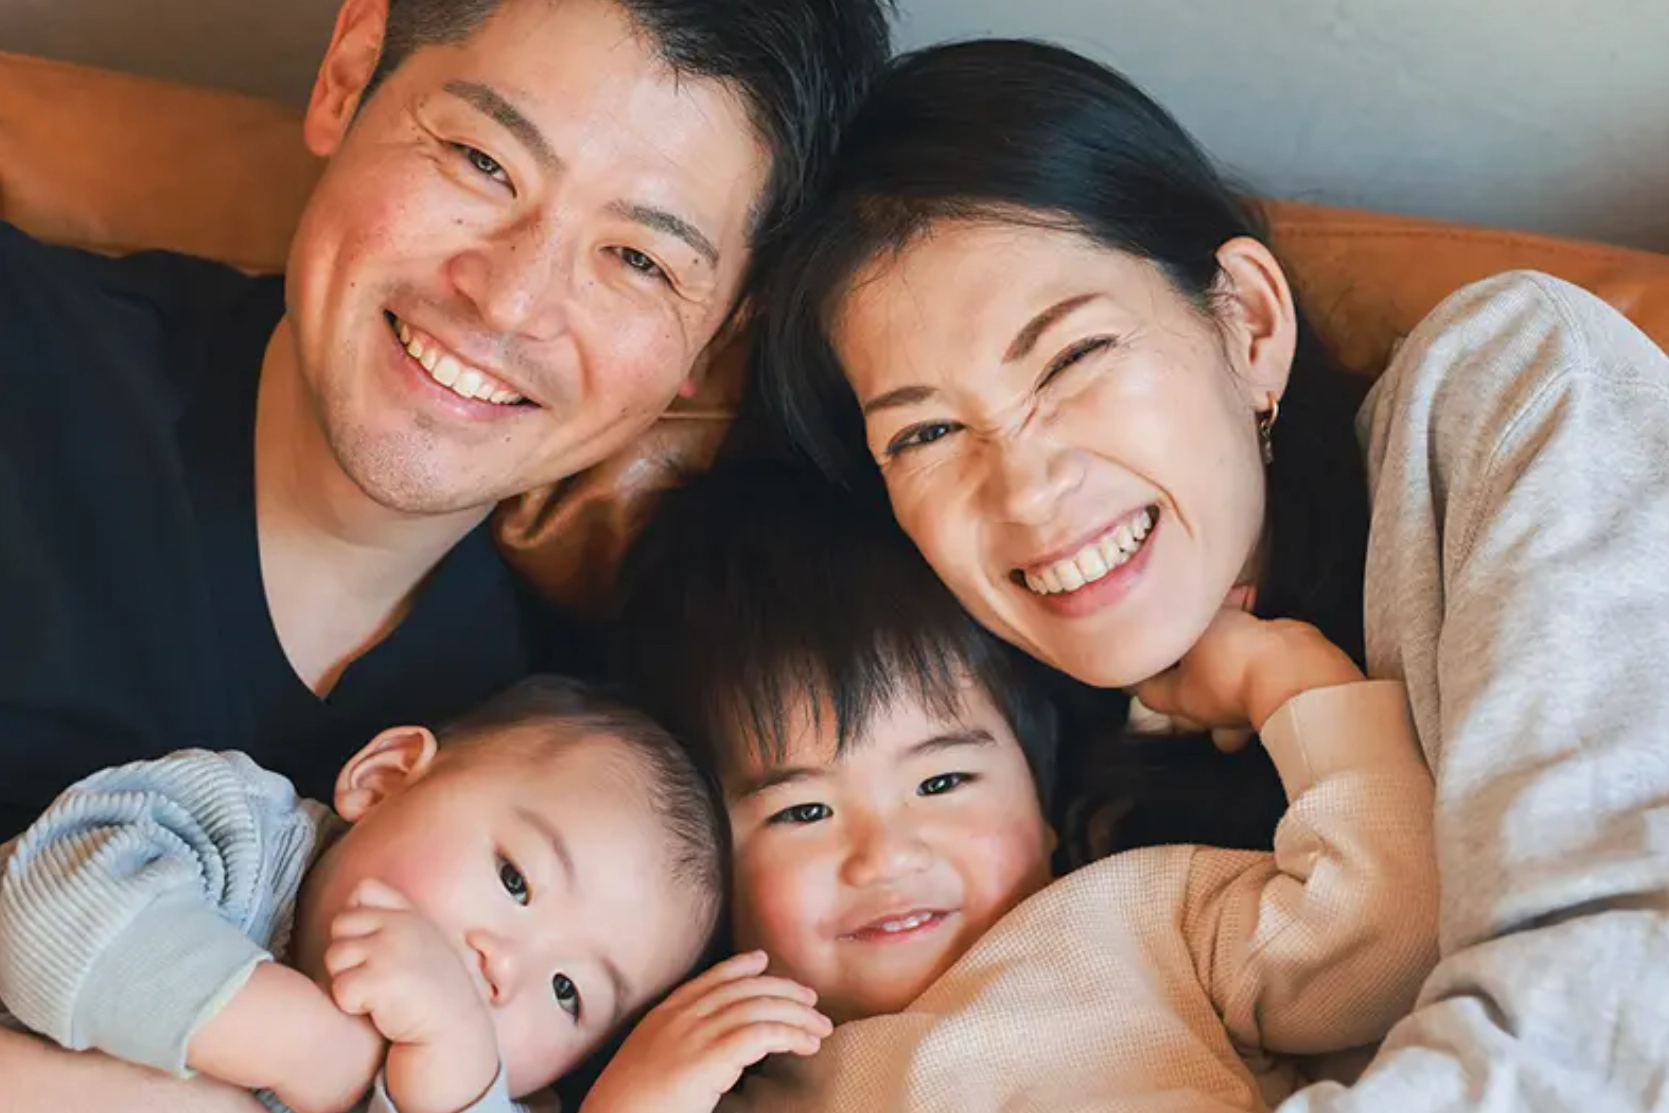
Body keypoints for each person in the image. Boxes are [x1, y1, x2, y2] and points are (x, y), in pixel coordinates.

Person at [745, 37, 1669, 1113]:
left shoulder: (1502, 390)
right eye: (929, 433)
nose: (1026, 493)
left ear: (1248, 321)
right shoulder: (1018, 813)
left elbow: (1617, 1002)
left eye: (1070, 358)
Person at [0, 1, 889, 1104]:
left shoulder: (578, 764)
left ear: (719, 339)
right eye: (482, 160)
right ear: (350, 72)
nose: (511, 301)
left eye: (639, 259)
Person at [590, 460, 1437, 1112]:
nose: (885, 853)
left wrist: (1285, 677)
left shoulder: (1143, 916)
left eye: (944, 778)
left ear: (1041, 802)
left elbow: (1381, 938)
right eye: (802, 809)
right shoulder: (717, 1084)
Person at [0, 675, 726, 1113]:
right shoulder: (233, 829)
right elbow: (49, 911)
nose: (505, 969)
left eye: (568, 991)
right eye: (515, 879)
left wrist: (449, 1077)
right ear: (384, 778)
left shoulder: (487, 1093)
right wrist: (313, 1049)